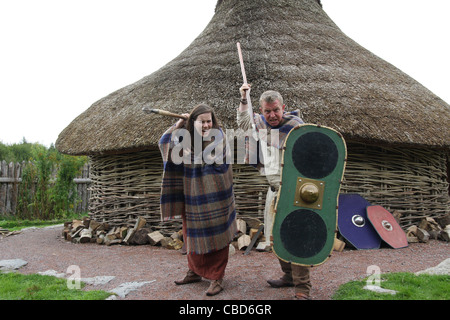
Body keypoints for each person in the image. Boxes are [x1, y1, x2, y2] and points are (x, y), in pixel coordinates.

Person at [236, 84, 312, 300]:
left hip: (295, 192)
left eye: (276, 110)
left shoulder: (297, 128)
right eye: (267, 111)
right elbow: (243, 122)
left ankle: (303, 289)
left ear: (283, 108)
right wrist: (244, 97)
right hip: (273, 192)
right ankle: (288, 276)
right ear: (261, 111)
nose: (272, 115)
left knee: (296, 239)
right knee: (277, 238)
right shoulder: (260, 125)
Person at [158, 103, 237, 296]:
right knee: (191, 235)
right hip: (193, 195)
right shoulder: (186, 139)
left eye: (209, 121)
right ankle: (194, 271)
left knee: (218, 237)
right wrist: (178, 125)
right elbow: (164, 143)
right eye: (202, 122)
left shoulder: (219, 138)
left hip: (216, 196)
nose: (206, 125)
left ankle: (217, 277)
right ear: (193, 122)